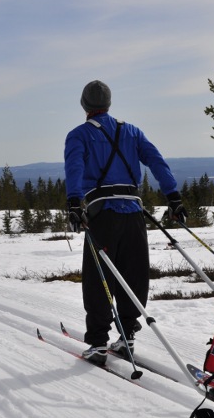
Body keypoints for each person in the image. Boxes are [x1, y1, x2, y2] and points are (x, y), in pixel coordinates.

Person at [64, 80, 187, 365]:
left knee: (99, 278)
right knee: (133, 276)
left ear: (84, 105)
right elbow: (156, 162)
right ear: (109, 103)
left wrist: (73, 202)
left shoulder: (78, 135)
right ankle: (127, 336)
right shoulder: (131, 131)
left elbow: (75, 167)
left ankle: (97, 343)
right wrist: (174, 197)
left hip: (102, 214)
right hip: (133, 213)